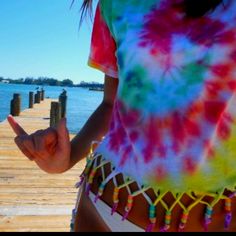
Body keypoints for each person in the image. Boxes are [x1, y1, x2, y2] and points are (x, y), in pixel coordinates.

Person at [7, 0, 236, 232]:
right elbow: (110, 104)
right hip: (107, 206)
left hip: (221, 215)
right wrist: (66, 158)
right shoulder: (115, 4)